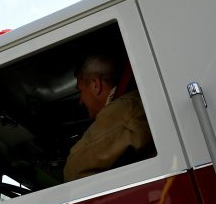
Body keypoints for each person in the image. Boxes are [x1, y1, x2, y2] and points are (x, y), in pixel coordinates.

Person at [64, 53, 155, 182]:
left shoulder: (123, 111)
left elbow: (74, 169)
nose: (80, 101)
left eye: (80, 90)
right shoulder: (133, 102)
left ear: (96, 85)